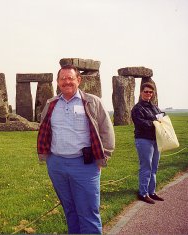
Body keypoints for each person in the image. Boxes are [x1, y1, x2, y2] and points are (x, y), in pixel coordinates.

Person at [37, 64, 115, 234]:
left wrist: (103, 157)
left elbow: (106, 131)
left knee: (88, 212)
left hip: (85, 165)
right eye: (62, 79)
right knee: (70, 210)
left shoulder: (93, 101)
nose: (67, 82)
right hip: (57, 164)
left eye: (70, 78)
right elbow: (45, 129)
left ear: (78, 80)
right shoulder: (51, 104)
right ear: (58, 82)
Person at [131, 82, 165, 204]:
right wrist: (156, 123)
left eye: (151, 92)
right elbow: (142, 124)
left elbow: (163, 118)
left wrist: (160, 120)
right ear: (141, 92)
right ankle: (143, 193)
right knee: (146, 167)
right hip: (143, 140)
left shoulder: (154, 107)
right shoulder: (137, 108)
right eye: (146, 91)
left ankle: (152, 192)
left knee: (154, 167)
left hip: (156, 140)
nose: (148, 94)